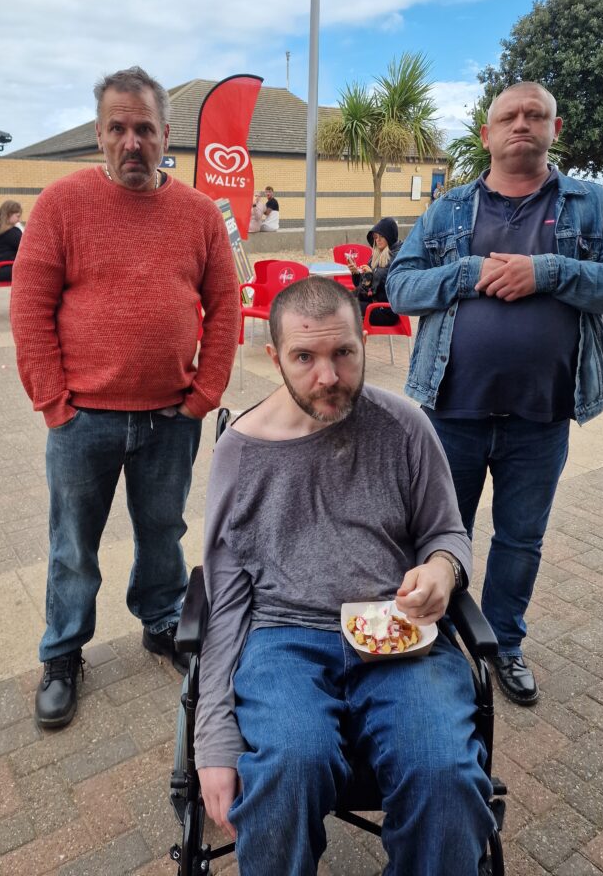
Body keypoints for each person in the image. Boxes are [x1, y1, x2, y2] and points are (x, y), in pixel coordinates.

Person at [195, 276, 495, 876]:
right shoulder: (240, 453)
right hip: (283, 637)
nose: (328, 376)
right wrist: (215, 740)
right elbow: (224, 604)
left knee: (444, 773)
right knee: (288, 765)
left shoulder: (404, 426)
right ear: (274, 356)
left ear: (365, 342)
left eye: (343, 353)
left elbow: (446, 531)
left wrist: (443, 569)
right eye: (305, 357)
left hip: (398, 631)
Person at [386, 81, 603, 706]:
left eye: (535, 115)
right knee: (441, 533)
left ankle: (502, 642)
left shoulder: (592, 205)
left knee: (521, 539)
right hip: (451, 411)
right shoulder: (449, 209)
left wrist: (545, 272)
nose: (521, 123)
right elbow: (400, 287)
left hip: (542, 415)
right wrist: (470, 272)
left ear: (555, 129)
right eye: (508, 116)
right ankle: (439, 640)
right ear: (487, 134)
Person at [10, 66, 240, 729]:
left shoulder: (199, 214)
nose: (132, 142)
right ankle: (63, 652)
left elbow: (226, 304)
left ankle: (162, 619)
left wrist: (204, 394)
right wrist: (54, 402)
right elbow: (29, 306)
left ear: (166, 134)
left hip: (171, 417)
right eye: (118, 128)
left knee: (164, 533)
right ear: (100, 135)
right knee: (72, 545)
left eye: (144, 128)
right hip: (82, 419)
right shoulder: (62, 204)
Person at [347, 216, 402, 326]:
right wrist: (357, 273)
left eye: (382, 236)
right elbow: (365, 287)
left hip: (387, 310)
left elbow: (386, 282)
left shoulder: (397, 257)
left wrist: (371, 275)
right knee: (341, 301)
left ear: (390, 236)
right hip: (374, 302)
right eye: (376, 237)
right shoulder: (377, 255)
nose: (378, 240)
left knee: (345, 308)